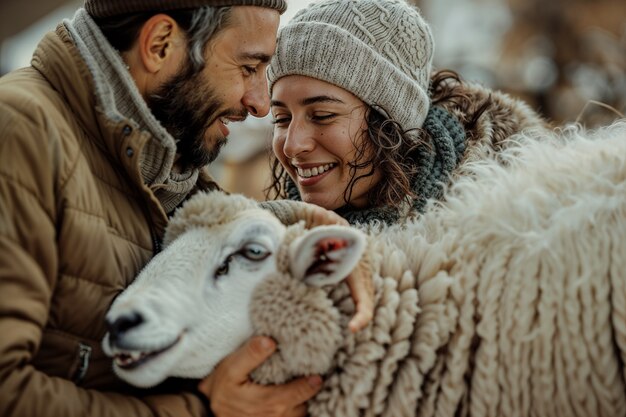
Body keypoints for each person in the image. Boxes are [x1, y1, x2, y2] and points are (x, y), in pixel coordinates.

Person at [0, 1, 374, 417]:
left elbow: (209, 228)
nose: (260, 104)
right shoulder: (18, 130)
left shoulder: (158, 150)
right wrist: (199, 409)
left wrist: (303, 220)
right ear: (160, 44)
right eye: (249, 68)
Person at [267, 0, 550, 226]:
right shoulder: (275, 243)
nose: (293, 145)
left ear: (392, 120)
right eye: (281, 118)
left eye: (322, 115)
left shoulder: (515, 224)